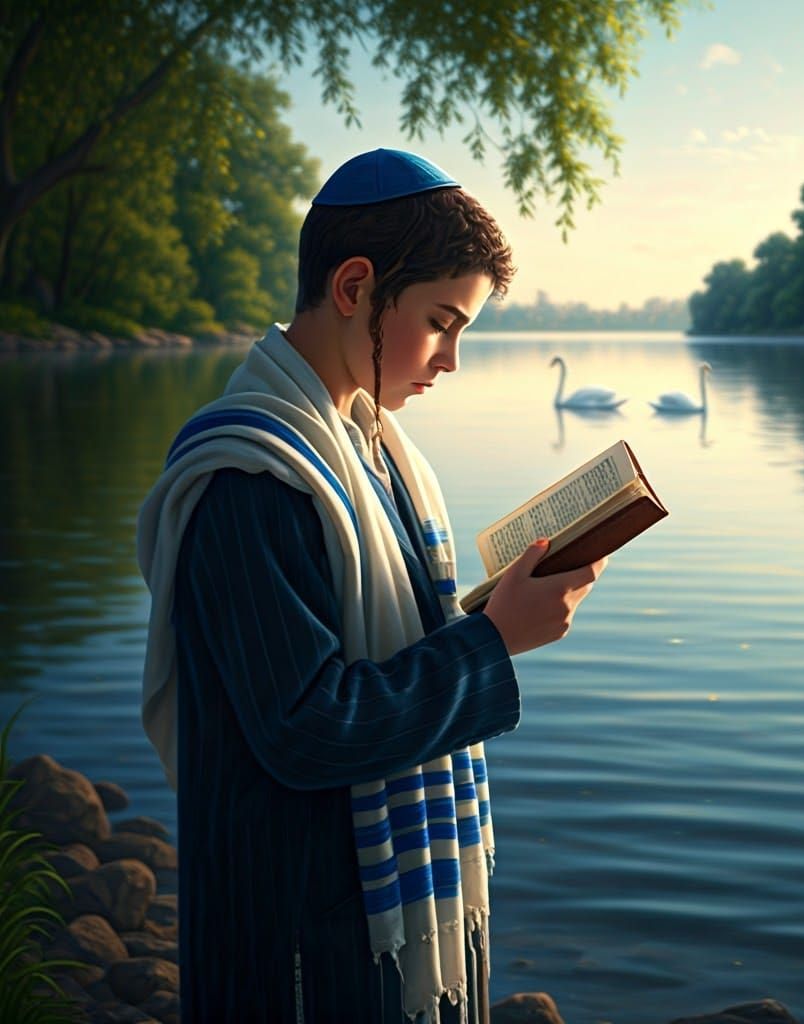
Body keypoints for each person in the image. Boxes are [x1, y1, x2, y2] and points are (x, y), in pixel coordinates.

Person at [136, 148, 607, 1024]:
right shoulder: (254, 475)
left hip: (359, 908)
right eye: (441, 321)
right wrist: (493, 640)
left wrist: (496, 610)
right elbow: (307, 728)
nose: (454, 360)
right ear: (355, 287)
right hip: (292, 937)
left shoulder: (373, 451)